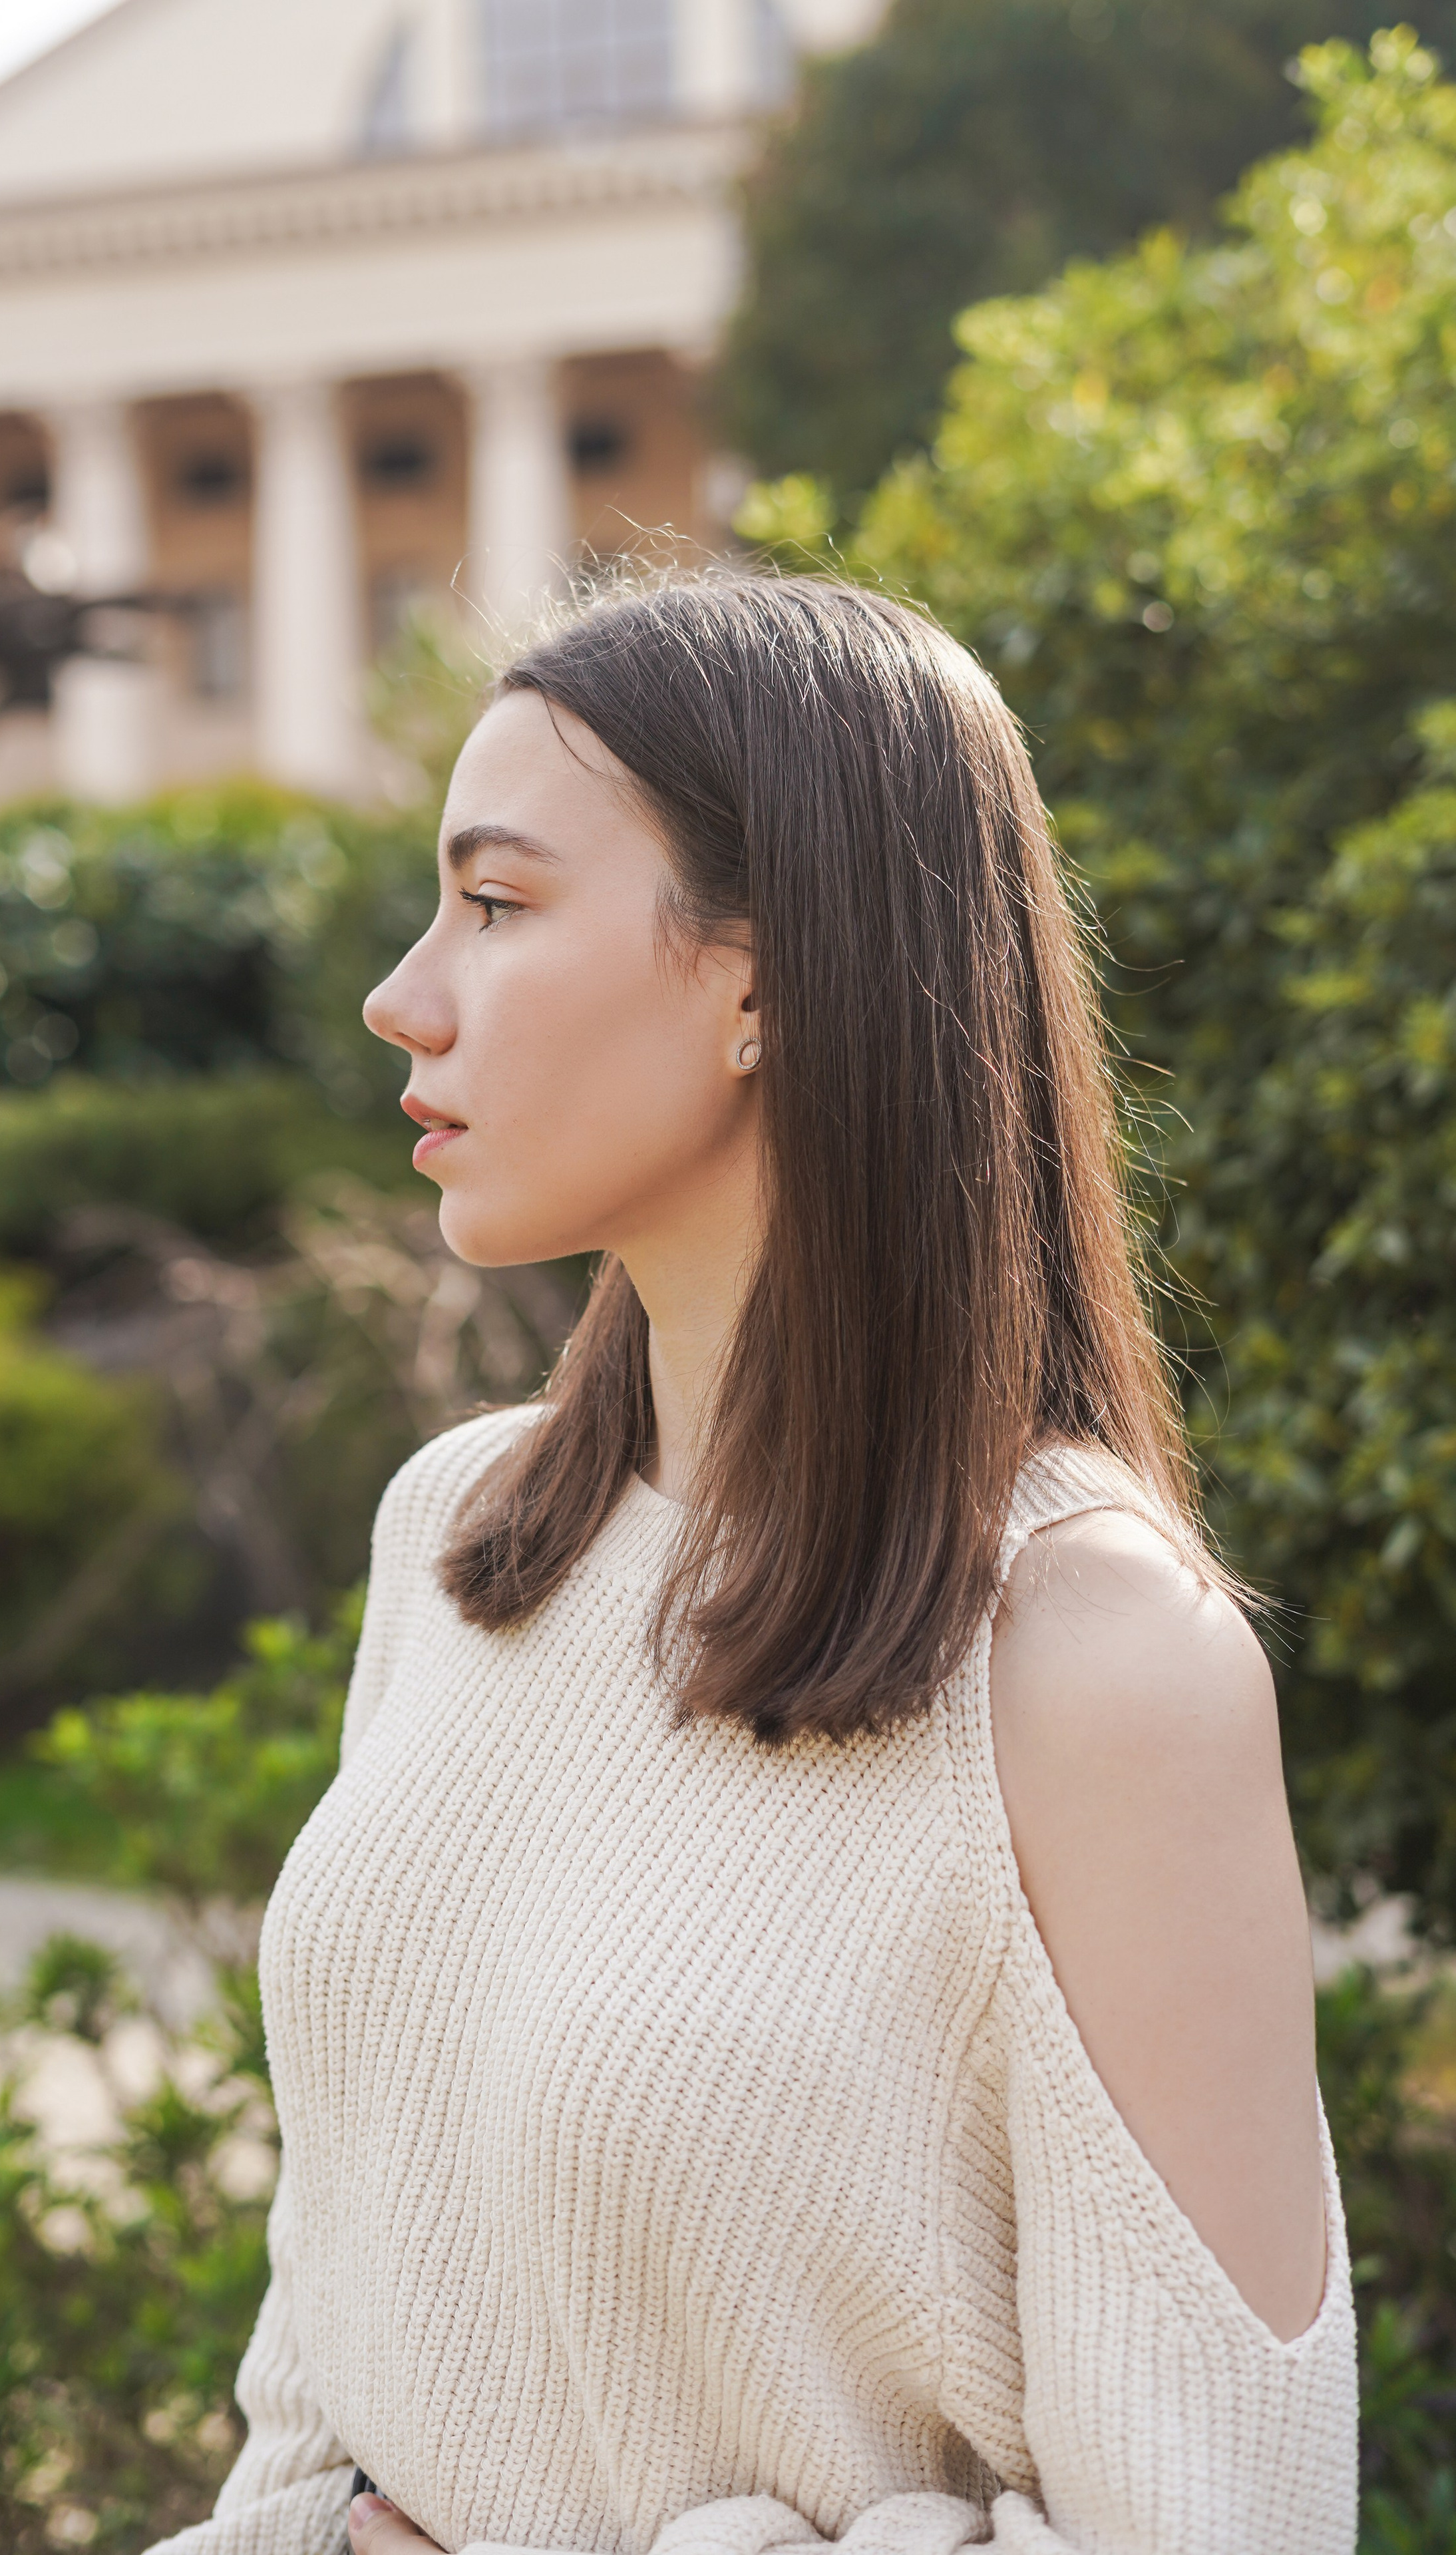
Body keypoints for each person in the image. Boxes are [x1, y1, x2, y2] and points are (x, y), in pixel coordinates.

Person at [147, 574, 1356, 2555]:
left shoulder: (1097, 1664)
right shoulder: (461, 1539)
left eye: (501, 903)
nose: (405, 992)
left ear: (765, 978)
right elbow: (327, 2376)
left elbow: (1230, 2528)